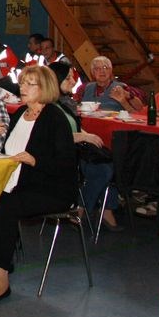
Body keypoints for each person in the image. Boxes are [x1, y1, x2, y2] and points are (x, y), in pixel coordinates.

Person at [0, 65, 77, 301]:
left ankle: (1, 274)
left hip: (50, 189)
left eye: (29, 84)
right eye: (22, 83)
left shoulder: (54, 118)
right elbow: (7, 150)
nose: (22, 87)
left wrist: (35, 160)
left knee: (5, 206)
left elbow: (65, 164)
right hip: (17, 184)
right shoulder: (20, 114)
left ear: (45, 88)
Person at [49, 62, 122, 233]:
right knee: (104, 170)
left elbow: (74, 125)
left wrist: (87, 135)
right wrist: (85, 137)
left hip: (77, 149)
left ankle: (103, 208)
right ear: (56, 80)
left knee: (112, 161)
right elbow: (56, 137)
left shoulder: (66, 101)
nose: (73, 81)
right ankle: (83, 209)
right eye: (68, 78)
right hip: (64, 155)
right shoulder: (49, 106)